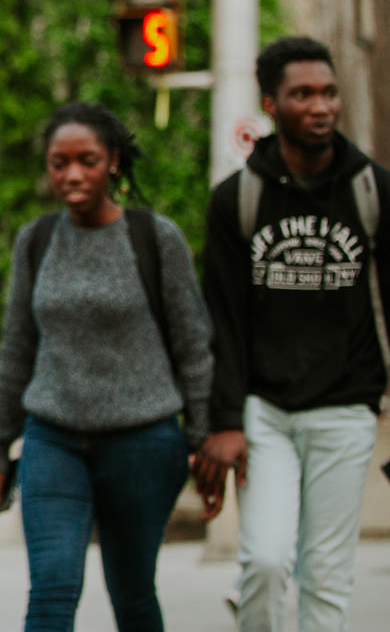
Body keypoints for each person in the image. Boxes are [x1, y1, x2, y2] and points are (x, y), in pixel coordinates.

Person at [0, 101, 213, 632]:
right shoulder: (36, 240)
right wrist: (0, 446)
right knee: (52, 588)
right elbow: (17, 349)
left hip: (144, 442)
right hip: (53, 440)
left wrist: (202, 437)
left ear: (113, 161)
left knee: (132, 594)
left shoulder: (156, 238)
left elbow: (193, 345)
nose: (71, 174)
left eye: (86, 160)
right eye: (58, 162)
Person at [193, 37, 388, 632]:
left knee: (326, 576)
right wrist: (223, 422)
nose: (321, 106)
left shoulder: (373, 190)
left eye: (328, 92)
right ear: (272, 105)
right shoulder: (237, 200)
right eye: (302, 94)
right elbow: (220, 319)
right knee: (267, 560)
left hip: (346, 406)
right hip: (265, 411)